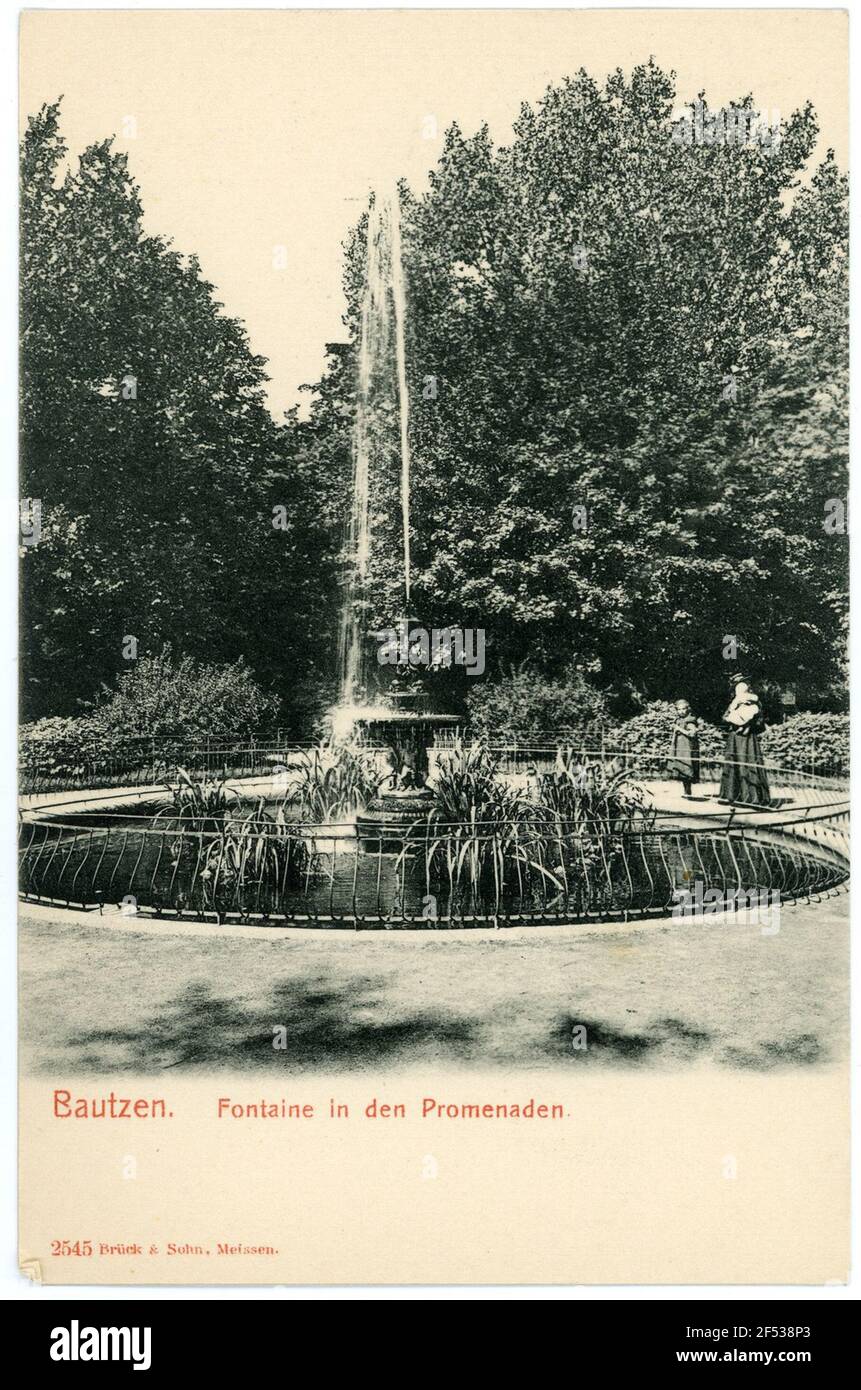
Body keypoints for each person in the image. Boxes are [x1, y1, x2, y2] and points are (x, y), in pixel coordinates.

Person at [718, 676, 771, 807]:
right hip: (734, 737)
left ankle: (752, 797)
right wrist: (733, 717)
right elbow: (724, 717)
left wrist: (748, 725)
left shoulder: (755, 704)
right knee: (733, 763)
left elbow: (760, 721)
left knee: (749, 762)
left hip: (748, 738)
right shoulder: (734, 703)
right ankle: (732, 795)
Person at [668, 699, 700, 798]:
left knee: (687, 767)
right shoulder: (678, 720)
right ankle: (686, 791)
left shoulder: (690, 720)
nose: (681, 711)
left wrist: (679, 729)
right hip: (680, 748)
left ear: (687, 709)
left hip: (687, 748)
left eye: (683, 709)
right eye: (679, 709)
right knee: (681, 768)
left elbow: (692, 733)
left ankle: (688, 792)